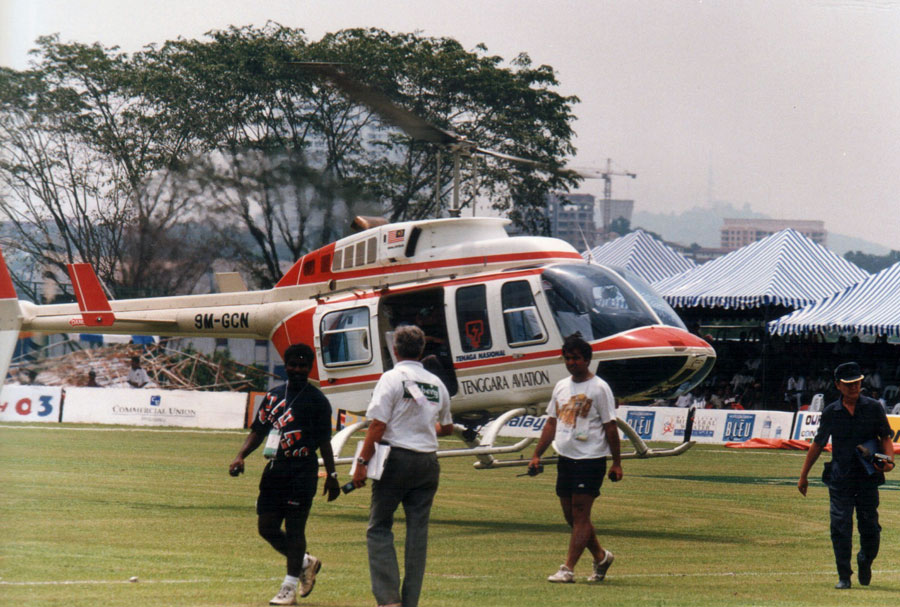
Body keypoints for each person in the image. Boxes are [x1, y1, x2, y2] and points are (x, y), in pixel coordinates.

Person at [229, 343, 341, 605]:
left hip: (302, 470)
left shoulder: (318, 401)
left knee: (294, 529)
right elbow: (258, 431)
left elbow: (325, 442)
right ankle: (305, 562)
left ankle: (288, 588)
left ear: (310, 367)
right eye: (293, 365)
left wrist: (333, 477)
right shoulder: (273, 397)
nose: (298, 370)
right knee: (266, 527)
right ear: (286, 366)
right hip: (275, 468)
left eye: (303, 366)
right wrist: (240, 456)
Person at [351, 325, 453, 607]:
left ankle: (388, 598)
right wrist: (424, 427)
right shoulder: (436, 383)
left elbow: (378, 424)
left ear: (394, 349)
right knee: (417, 532)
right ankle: (410, 601)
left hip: (396, 459)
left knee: (379, 526)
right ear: (422, 350)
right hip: (428, 462)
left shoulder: (391, 378)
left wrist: (361, 462)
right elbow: (447, 427)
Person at [528, 334, 622, 584]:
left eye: (576, 358)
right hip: (566, 457)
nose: (571, 363)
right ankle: (601, 557)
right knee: (571, 517)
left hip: (590, 459)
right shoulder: (561, 387)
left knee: (581, 514)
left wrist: (616, 462)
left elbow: (610, 426)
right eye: (567, 358)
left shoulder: (599, 388)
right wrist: (537, 454)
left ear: (587, 359)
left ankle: (567, 568)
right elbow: (551, 422)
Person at [797, 361, 895, 589]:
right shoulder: (832, 412)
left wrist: (888, 462)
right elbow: (818, 444)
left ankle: (865, 559)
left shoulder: (873, 408)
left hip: (867, 477)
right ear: (838, 386)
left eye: (857, 383)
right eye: (848, 384)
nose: (854, 387)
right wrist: (803, 476)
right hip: (841, 477)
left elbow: (886, 438)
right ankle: (844, 576)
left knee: (870, 527)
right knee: (840, 527)